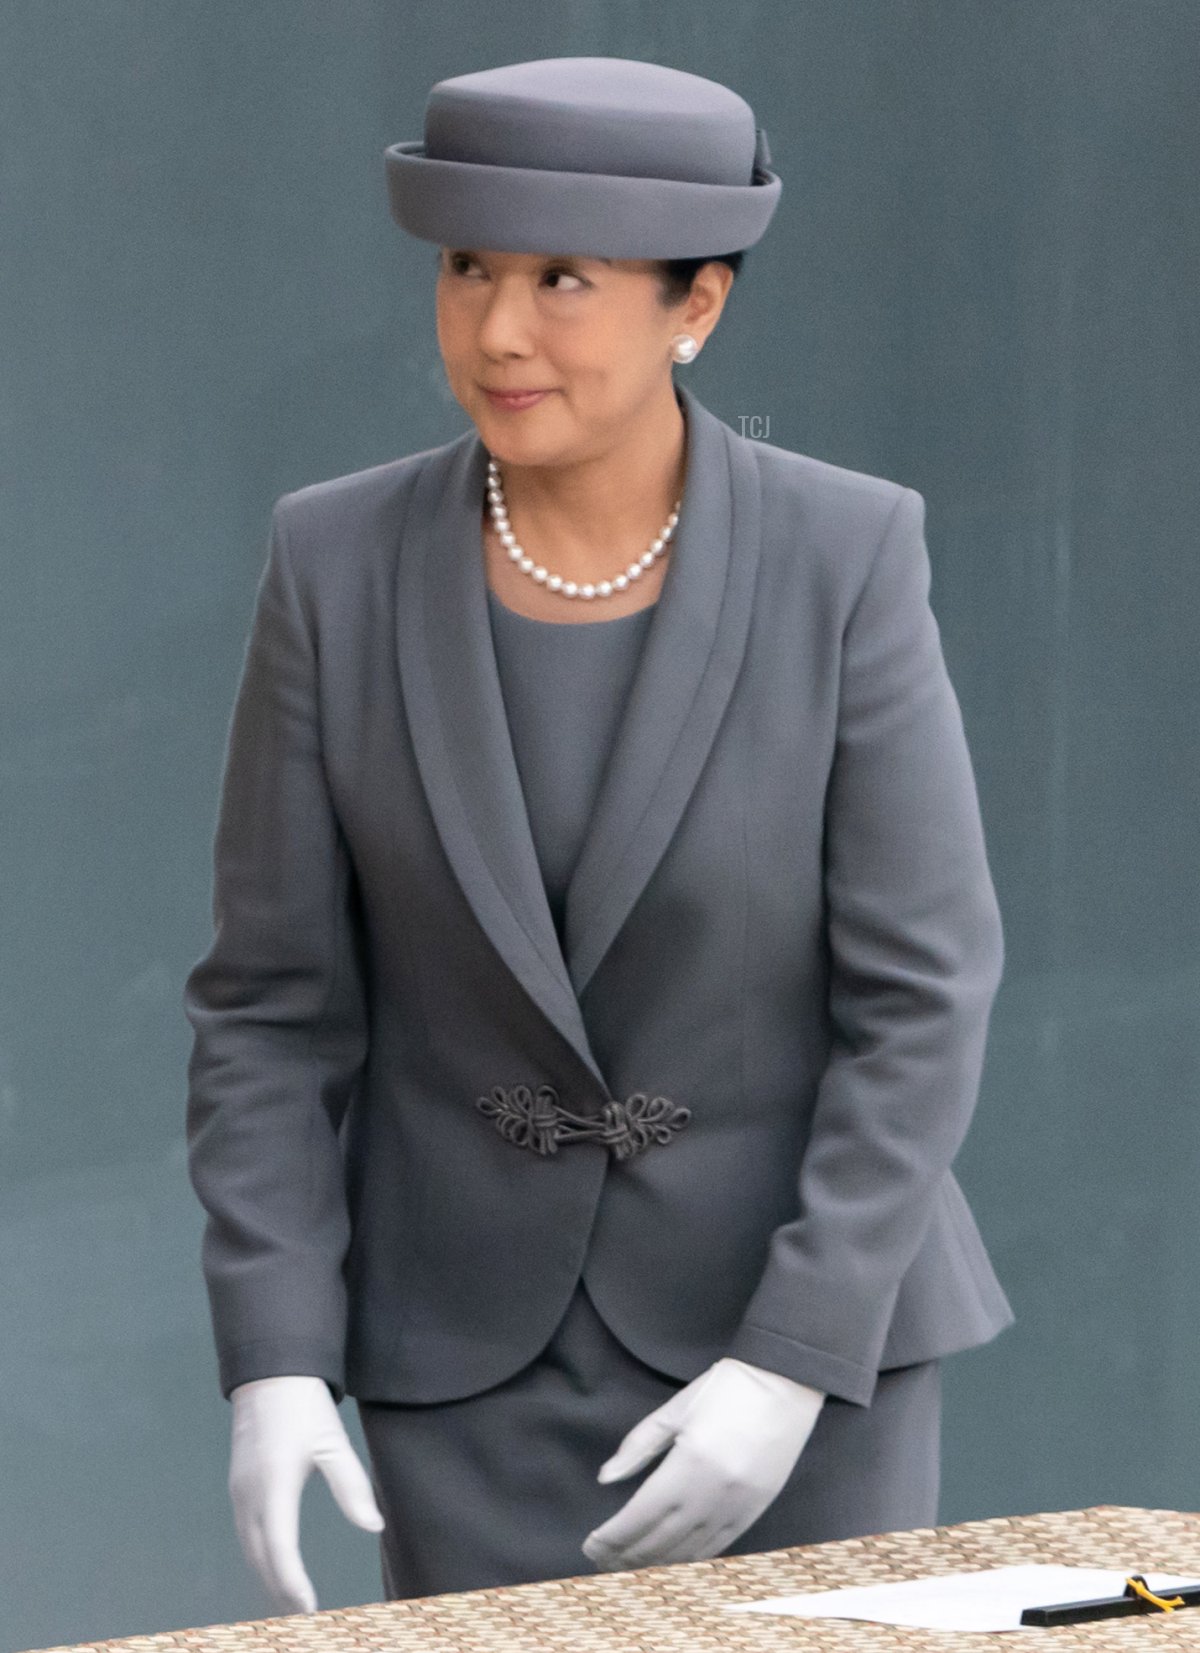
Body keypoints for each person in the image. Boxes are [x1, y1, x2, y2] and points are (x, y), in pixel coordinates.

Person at [183, 55, 1013, 1615]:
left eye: (564, 277)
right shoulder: (332, 564)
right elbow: (270, 1014)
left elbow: (922, 995)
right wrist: (277, 1356)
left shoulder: (846, 556)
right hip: (460, 1369)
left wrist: (789, 1360)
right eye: (468, 267)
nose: (497, 328)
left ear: (696, 305)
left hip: (800, 1369)